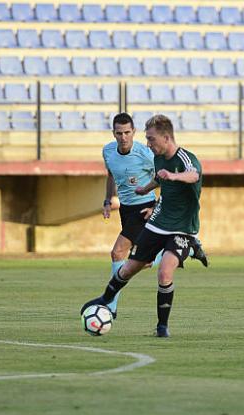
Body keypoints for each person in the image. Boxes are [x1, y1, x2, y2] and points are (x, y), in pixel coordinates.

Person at [82, 114, 205, 337]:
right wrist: (146, 188)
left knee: (164, 272)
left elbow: (194, 175)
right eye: (147, 139)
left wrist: (174, 177)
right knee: (128, 267)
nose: (148, 143)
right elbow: (159, 178)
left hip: (182, 226)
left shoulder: (185, 158)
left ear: (166, 138)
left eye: (151, 139)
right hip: (158, 221)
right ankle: (106, 299)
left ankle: (162, 327)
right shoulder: (156, 157)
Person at [101, 112, 157, 318]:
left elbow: (164, 178)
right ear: (113, 133)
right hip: (125, 209)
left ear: (133, 132)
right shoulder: (107, 151)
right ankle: (179, 251)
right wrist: (108, 200)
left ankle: (110, 306)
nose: (123, 137)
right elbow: (110, 175)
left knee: (117, 253)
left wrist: (157, 207)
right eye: (119, 133)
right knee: (144, 262)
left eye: (127, 132)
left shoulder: (145, 154)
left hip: (144, 208)